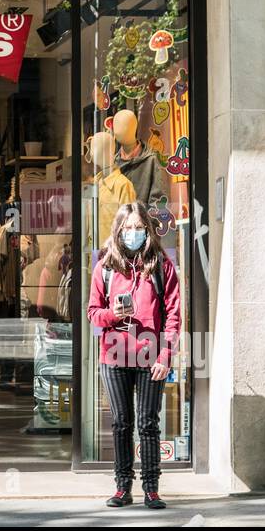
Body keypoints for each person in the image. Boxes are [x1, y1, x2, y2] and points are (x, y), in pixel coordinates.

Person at [86, 201, 181, 510]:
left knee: (148, 423)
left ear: (148, 231)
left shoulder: (162, 266)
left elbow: (174, 315)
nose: (133, 233)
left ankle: (151, 488)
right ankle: (122, 487)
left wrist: (165, 355)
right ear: (118, 230)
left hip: (150, 356)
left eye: (139, 228)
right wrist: (112, 314)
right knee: (122, 423)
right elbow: (92, 313)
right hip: (113, 357)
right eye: (128, 228)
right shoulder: (105, 267)